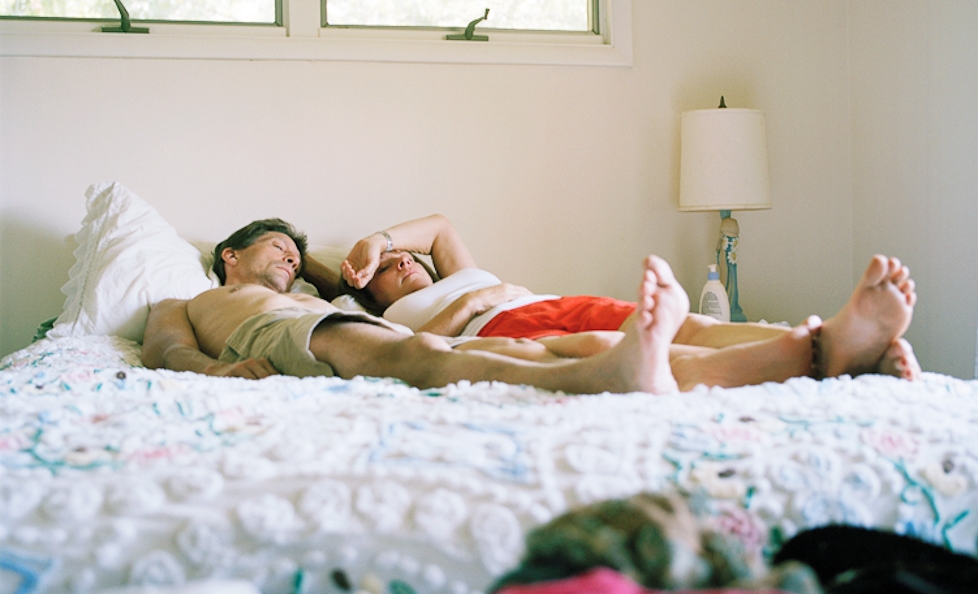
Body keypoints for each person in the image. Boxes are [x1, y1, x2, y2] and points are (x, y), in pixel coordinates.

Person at [333, 214, 921, 387]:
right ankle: (815, 354)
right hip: (497, 330)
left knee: (685, 325)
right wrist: (470, 305)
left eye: (405, 256)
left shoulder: (454, 270)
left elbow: (437, 225)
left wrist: (376, 241)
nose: (403, 261)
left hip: (554, 301)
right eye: (387, 268)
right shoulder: (390, 322)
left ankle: (834, 342)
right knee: (626, 349)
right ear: (367, 295)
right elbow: (419, 349)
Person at [142, 218, 689, 396]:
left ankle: (621, 358)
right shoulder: (185, 300)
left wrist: (305, 266)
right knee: (424, 353)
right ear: (230, 254)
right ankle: (603, 374)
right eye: (277, 245)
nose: (291, 254)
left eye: (296, 253)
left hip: (319, 323)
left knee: (477, 347)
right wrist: (219, 369)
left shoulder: (316, 294)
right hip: (279, 334)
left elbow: (354, 285)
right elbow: (165, 349)